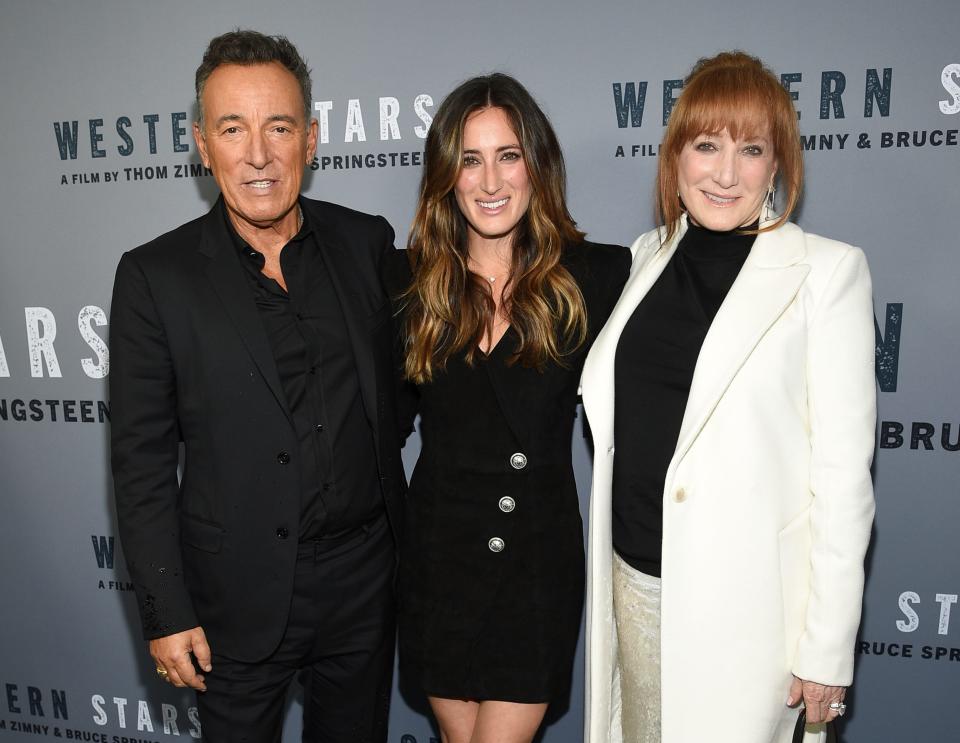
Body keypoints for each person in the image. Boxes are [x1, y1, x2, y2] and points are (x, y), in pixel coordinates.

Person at [110, 30, 404, 743]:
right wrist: (166, 608)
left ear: (311, 137)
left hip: (364, 579)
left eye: (279, 127)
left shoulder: (367, 243)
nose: (258, 154)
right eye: (232, 129)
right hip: (232, 596)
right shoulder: (156, 276)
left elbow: (415, 383)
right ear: (202, 145)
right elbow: (141, 461)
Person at [580, 51, 876, 743]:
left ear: (777, 166)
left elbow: (843, 480)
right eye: (706, 145)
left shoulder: (826, 274)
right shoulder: (646, 255)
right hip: (634, 589)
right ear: (676, 156)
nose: (724, 172)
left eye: (750, 149)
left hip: (750, 619)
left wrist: (826, 651)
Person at [382, 73, 630, 743]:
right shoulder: (411, 284)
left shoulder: (597, 276)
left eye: (508, 155)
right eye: (469, 159)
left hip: (532, 566)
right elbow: (378, 425)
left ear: (536, 165)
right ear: (446, 176)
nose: (490, 180)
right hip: (439, 562)